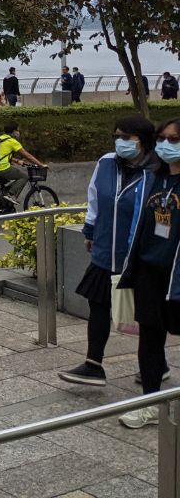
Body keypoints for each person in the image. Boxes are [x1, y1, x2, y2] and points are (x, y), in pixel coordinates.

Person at [58, 115, 161, 387]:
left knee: (146, 313)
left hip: (140, 256)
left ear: (144, 140)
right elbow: (94, 198)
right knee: (99, 304)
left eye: (126, 137)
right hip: (105, 248)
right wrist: (90, 231)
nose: (120, 142)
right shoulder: (106, 162)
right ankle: (93, 364)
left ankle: (156, 365)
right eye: (116, 136)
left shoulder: (157, 171)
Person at [115, 117, 180, 428]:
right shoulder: (155, 177)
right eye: (162, 139)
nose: (166, 145)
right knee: (150, 339)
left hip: (177, 275)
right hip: (150, 272)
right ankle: (151, 403)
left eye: (174, 140)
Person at [0, 121, 48, 202]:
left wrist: (17, 161)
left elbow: (1, 156)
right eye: (17, 130)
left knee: (5, 187)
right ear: (14, 131)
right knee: (24, 177)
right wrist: (41, 165)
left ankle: (4, 200)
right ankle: (9, 194)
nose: (18, 132)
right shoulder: (12, 142)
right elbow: (27, 156)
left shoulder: (0, 138)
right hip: (2, 169)